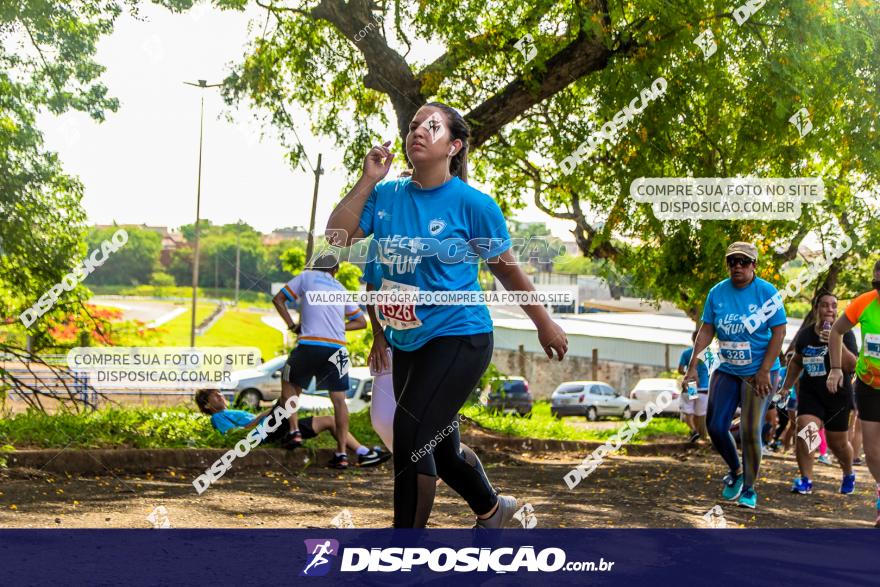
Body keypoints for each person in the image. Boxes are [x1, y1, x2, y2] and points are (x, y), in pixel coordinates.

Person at [326, 102, 568, 528]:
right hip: (409, 341)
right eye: (414, 125)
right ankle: (494, 511)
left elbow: (506, 270)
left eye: (431, 127)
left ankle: (404, 555)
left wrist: (543, 321)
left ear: (454, 146)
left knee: (411, 436)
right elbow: (336, 237)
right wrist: (368, 178)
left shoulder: (473, 205)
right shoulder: (386, 194)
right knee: (441, 449)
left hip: (461, 336)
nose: (417, 131)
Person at [682, 242, 786, 509]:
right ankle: (737, 471)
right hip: (727, 368)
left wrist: (764, 370)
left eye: (744, 261)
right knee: (714, 427)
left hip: (759, 372)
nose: (737, 266)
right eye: (732, 261)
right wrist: (693, 367)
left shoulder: (766, 292)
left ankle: (750, 488)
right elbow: (707, 331)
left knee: (751, 430)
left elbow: (779, 333)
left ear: (754, 265)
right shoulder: (717, 292)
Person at [272, 251, 367, 469]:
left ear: (315, 266)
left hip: (310, 344)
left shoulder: (306, 277)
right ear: (336, 271)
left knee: (289, 381)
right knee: (339, 400)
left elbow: (278, 299)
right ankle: (342, 453)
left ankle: (294, 431)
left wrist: (291, 325)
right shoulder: (341, 289)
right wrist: (336, 328)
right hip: (338, 348)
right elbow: (361, 322)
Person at [780, 291, 858, 495]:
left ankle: (848, 473)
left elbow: (851, 366)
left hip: (838, 395)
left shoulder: (845, 333)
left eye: (834, 306)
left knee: (838, 444)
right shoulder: (806, 334)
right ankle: (806, 479)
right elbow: (797, 360)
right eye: (825, 305)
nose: (830, 310)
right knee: (806, 431)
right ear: (816, 309)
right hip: (811, 393)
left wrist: (835, 341)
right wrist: (786, 386)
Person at [194, 389, 390, 468]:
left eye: (218, 392)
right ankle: (293, 432)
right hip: (263, 432)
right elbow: (234, 435)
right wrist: (259, 418)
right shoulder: (218, 417)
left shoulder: (234, 410)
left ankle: (364, 452)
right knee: (287, 395)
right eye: (214, 396)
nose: (219, 395)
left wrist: (263, 415)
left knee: (330, 420)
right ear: (207, 406)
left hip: (278, 426)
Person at [827, 260, 880, 526]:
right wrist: (836, 368)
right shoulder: (864, 303)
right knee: (872, 452)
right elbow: (836, 331)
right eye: (876, 284)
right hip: (869, 385)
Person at [678, 330, 709, 442]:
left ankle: (694, 430)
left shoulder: (687, 353)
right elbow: (714, 371)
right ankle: (698, 434)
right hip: (705, 388)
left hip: (692, 385)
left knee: (689, 411)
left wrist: (690, 373)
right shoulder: (708, 354)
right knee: (699, 413)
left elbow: (681, 370)